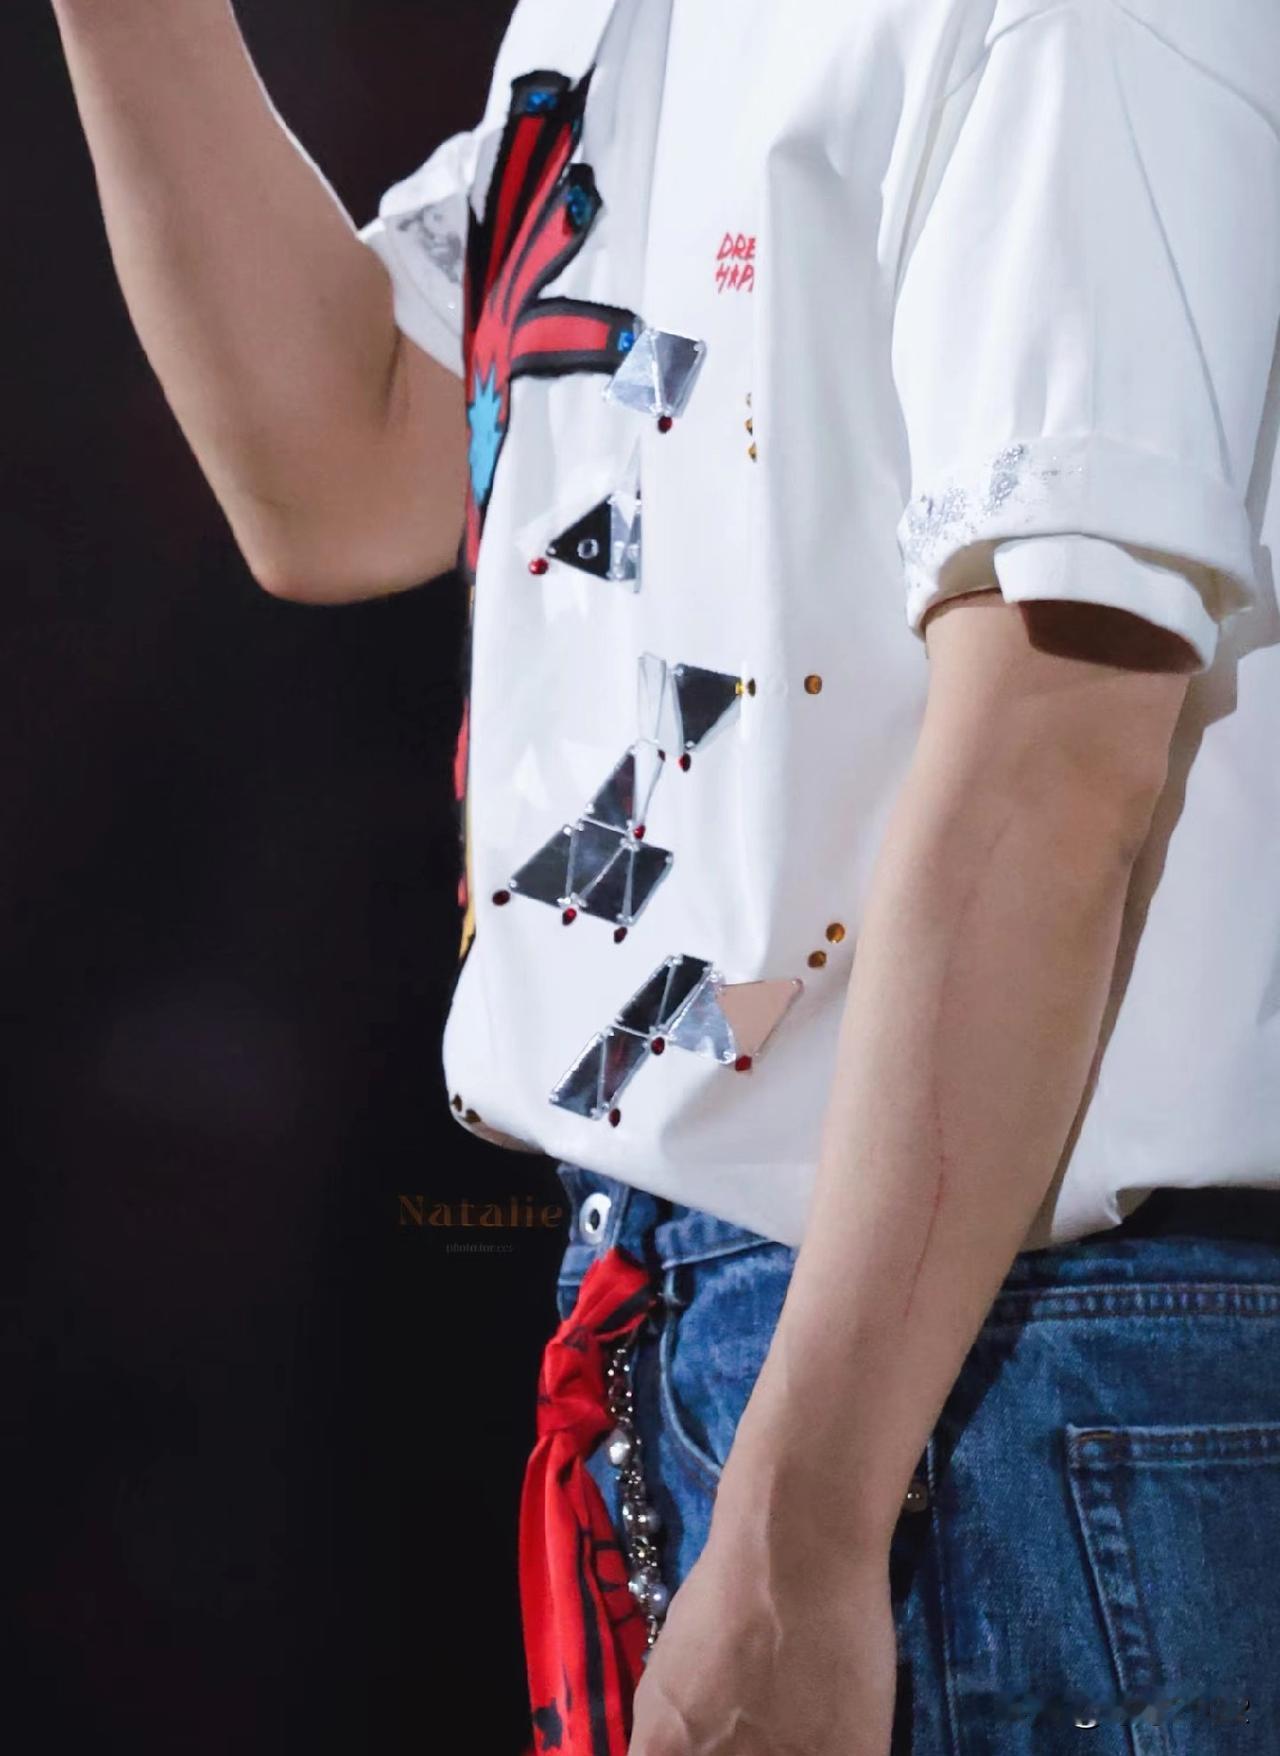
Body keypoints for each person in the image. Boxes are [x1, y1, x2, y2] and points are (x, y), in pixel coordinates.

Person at [51, 0, 1280, 1750]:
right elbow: (345, 465)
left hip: (1015, 1361)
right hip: (758, 1325)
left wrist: (802, 1525)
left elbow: (1059, 743)